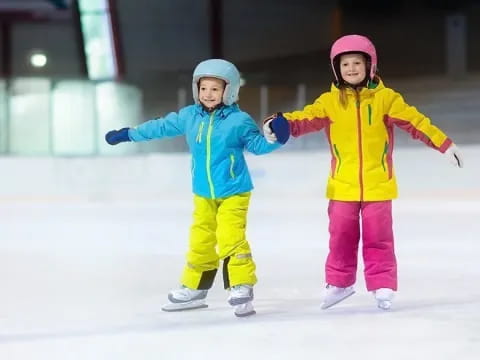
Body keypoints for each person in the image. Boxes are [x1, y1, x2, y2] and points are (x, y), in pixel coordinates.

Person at [263, 34, 464, 310]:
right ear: (337, 69)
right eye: (345, 64)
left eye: (357, 63)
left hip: (378, 183)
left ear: (370, 65)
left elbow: (416, 122)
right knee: (341, 235)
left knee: (378, 236)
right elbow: (303, 119)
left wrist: (444, 144)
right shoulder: (329, 103)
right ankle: (339, 283)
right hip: (342, 184)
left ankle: (382, 284)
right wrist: (278, 122)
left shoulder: (386, 99)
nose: (352, 69)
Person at [105, 59, 289, 317]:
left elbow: (258, 146)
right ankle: (195, 288)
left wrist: (275, 138)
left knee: (230, 237)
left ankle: (241, 285)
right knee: (200, 240)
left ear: (230, 90)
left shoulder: (239, 120)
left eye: (215, 89)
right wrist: (130, 133)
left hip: (234, 190)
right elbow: (161, 126)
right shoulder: (189, 116)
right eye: (203, 88)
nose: (208, 94)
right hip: (203, 192)